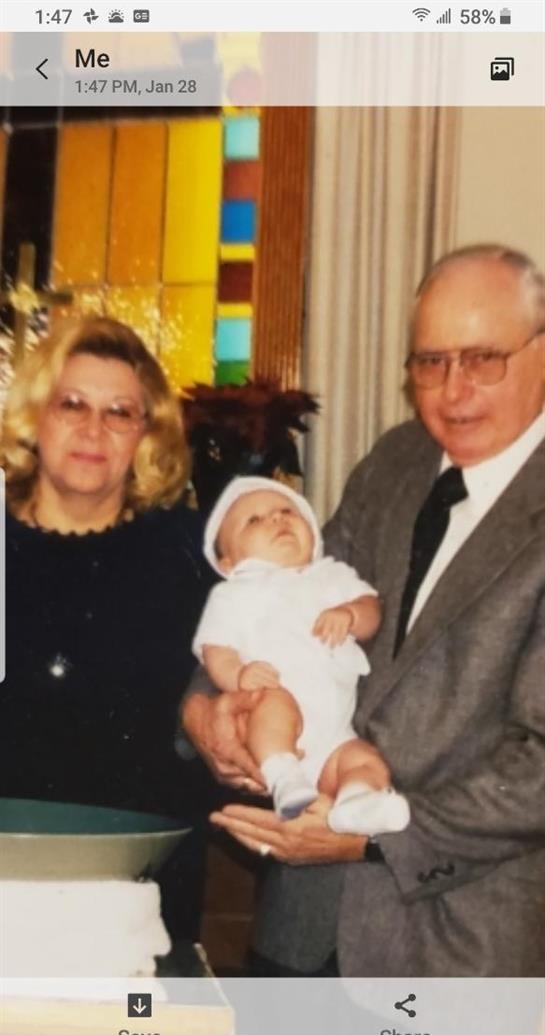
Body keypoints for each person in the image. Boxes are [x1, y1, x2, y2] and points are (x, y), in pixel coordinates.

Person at [183, 244, 545, 976]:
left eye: (482, 358)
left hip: (458, 950)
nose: (451, 389)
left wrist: (377, 838)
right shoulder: (395, 460)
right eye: (429, 361)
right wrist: (205, 715)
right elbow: (276, 590)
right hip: (301, 921)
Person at [1, 316, 217, 940]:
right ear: (34, 418)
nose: (94, 429)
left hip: (136, 903)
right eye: (72, 404)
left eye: (120, 412)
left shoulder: (192, 553)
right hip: (4, 892)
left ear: (146, 435)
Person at [193, 475, 409, 833]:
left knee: (362, 758)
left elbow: (373, 611)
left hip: (337, 730)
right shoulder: (233, 594)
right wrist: (238, 677)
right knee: (276, 704)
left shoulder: (332, 575)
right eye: (255, 520)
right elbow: (215, 649)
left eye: (287, 511)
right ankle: (284, 778)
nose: (277, 520)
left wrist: (352, 614)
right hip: (274, 703)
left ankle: (358, 801)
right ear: (228, 560)